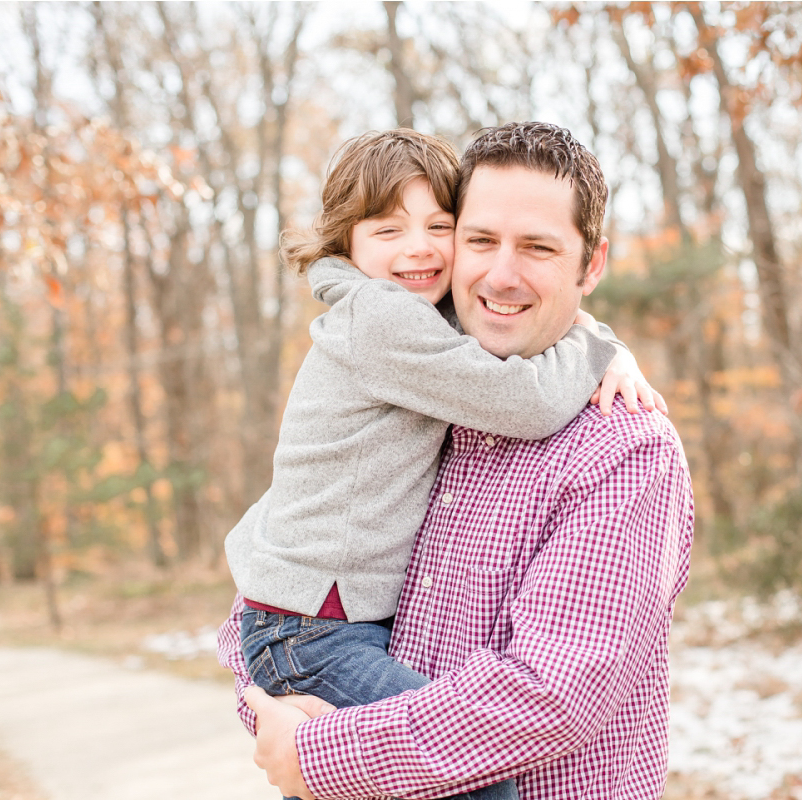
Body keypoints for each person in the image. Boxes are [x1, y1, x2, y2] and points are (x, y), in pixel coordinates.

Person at [217, 121, 695, 800]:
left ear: (591, 265)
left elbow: (548, 699)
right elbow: (262, 600)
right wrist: (283, 725)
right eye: (480, 240)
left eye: (537, 246)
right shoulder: (426, 406)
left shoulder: (622, 449)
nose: (500, 273)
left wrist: (321, 752)